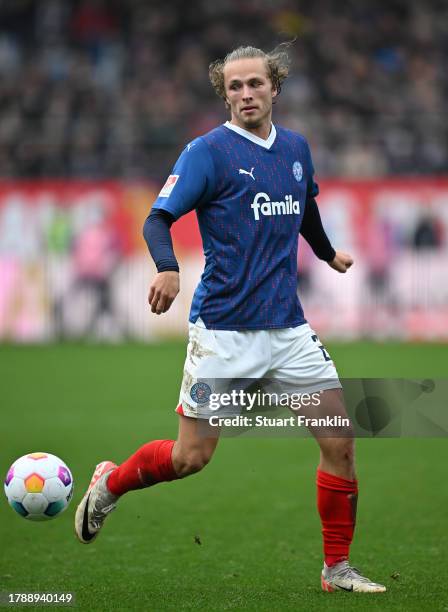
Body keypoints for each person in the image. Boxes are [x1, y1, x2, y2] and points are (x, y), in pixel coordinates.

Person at [75, 44, 386, 594]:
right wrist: (168, 268)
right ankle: (111, 484)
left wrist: (327, 252)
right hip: (223, 332)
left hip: (288, 329)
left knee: (340, 440)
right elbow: (156, 218)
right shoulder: (207, 153)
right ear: (225, 94)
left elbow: (304, 206)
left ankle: (336, 569)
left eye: (256, 84)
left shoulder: (295, 148)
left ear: (275, 88)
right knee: (190, 458)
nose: (246, 94)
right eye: (235, 86)